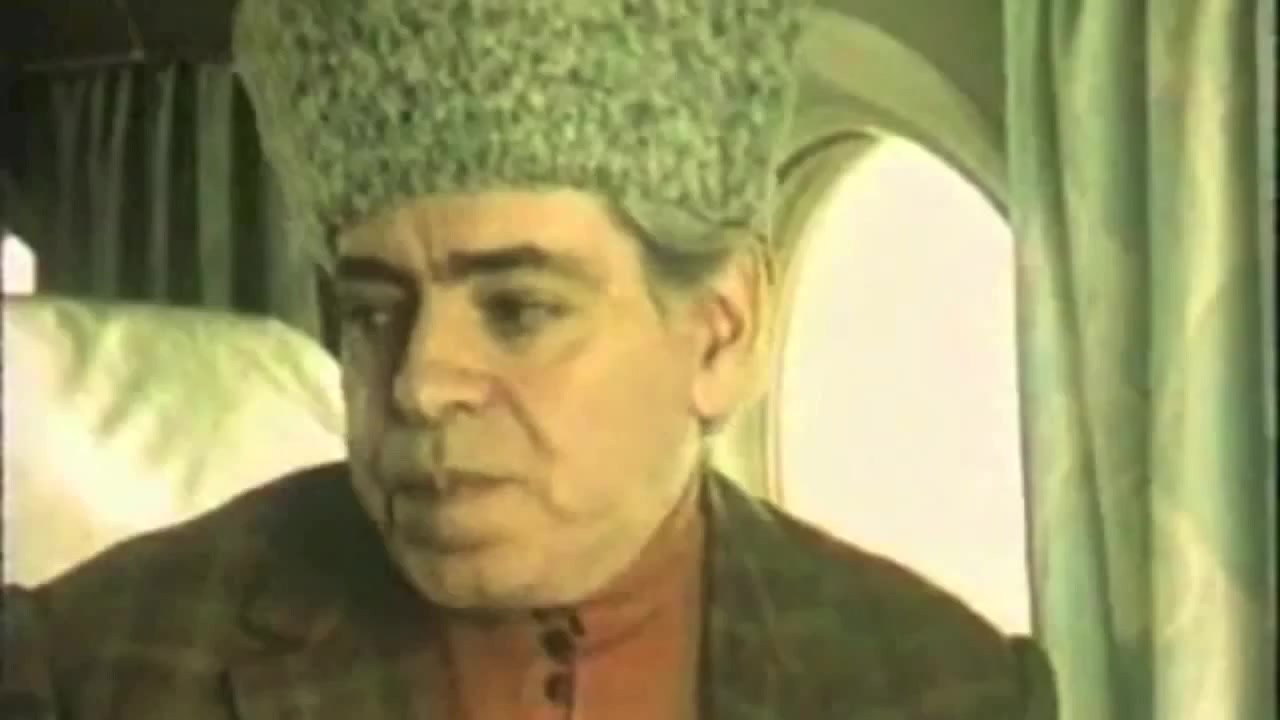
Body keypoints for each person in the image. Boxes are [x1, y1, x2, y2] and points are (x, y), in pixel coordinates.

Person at [1, 0, 1058, 717]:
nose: (418, 384)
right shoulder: (93, 671)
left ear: (722, 331)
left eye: (517, 310)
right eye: (372, 312)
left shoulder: (942, 689)